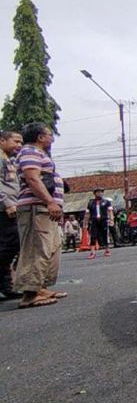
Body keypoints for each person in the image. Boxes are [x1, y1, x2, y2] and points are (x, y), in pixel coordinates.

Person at [14, 123, 67, 309]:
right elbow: (32, 178)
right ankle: (30, 293)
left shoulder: (39, 154)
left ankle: (40, 287)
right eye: (49, 135)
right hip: (36, 208)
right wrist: (50, 201)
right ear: (40, 137)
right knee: (37, 248)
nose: (52, 138)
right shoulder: (30, 152)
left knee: (52, 247)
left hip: (44, 209)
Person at [0, 129, 23, 301]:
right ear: (2, 140)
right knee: (10, 245)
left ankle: (7, 287)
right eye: (16, 141)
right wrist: (6, 203)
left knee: (11, 245)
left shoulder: (9, 160)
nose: (19, 145)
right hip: (5, 209)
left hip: (14, 206)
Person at [83, 188, 114, 259]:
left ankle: (107, 250)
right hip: (94, 220)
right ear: (94, 193)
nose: (99, 193)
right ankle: (92, 252)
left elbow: (110, 211)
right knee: (93, 236)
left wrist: (111, 219)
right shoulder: (91, 202)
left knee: (105, 234)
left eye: (101, 192)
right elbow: (87, 214)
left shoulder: (106, 202)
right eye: (97, 192)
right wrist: (85, 222)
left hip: (104, 220)